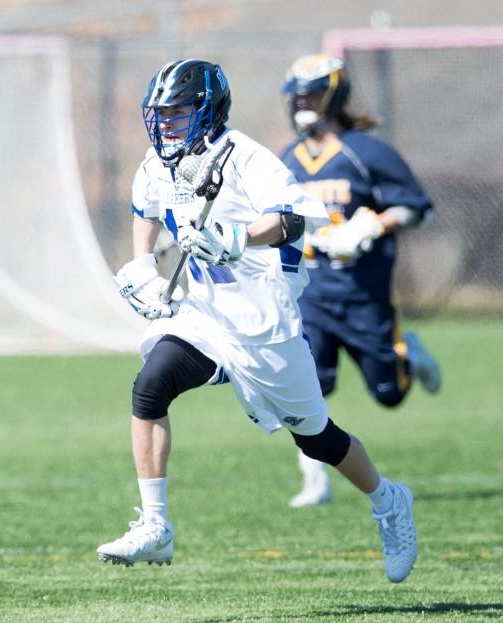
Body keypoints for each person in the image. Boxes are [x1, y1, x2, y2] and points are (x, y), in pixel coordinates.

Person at [96, 59, 418, 583]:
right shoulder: (159, 163)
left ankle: (388, 501)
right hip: (204, 315)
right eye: (161, 113)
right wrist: (141, 266)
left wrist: (239, 239)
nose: (166, 124)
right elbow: (145, 209)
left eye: (178, 112)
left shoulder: (246, 157)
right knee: (151, 386)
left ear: (207, 109)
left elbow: (293, 219)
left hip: (263, 321)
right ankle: (155, 526)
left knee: (316, 438)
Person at [278, 54, 441, 508]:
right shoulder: (286, 159)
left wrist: (369, 226)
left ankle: (409, 354)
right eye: (296, 95)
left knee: (388, 394)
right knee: (305, 389)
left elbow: (418, 208)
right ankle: (314, 480)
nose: (301, 103)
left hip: (363, 294)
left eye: (310, 93)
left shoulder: (366, 152)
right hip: (310, 294)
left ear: (333, 95)